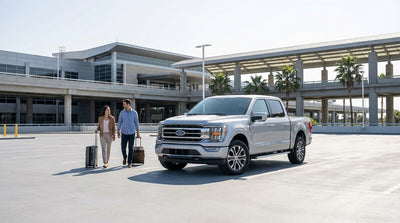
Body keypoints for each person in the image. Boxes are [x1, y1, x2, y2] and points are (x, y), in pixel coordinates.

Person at [117, 99, 140, 168]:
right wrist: (118, 131)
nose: (123, 105)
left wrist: (138, 133)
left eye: (124, 104)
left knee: (130, 148)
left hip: (132, 133)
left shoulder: (134, 113)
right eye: (123, 104)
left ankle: (129, 162)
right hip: (124, 133)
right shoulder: (122, 113)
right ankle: (125, 157)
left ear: (128, 104)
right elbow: (119, 122)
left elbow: (136, 123)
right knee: (123, 147)